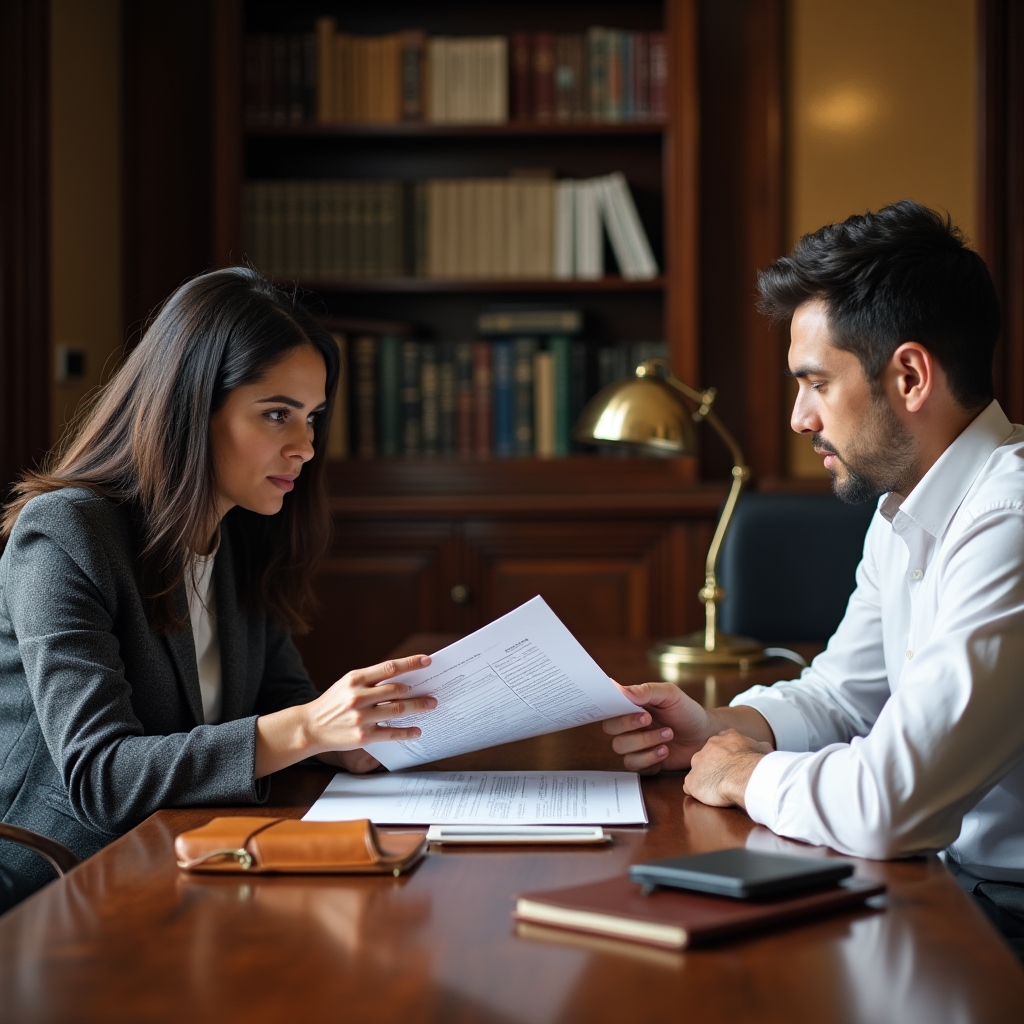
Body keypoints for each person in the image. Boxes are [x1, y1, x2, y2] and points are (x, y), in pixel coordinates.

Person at [603, 200, 1024, 956]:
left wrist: (748, 774)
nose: (799, 418)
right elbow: (845, 696)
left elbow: (893, 806)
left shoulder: (1010, 522)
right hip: (956, 886)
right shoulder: (905, 506)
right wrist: (720, 727)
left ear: (910, 376)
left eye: (816, 383)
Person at [0, 268, 436, 912]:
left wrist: (343, 747)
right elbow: (101, 777)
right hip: (65, 883)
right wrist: (309, 729)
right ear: (191, 408)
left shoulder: (241, 536)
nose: (305, 446)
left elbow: (281, 703)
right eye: (277, 414)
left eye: (312, 417)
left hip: (194, 855)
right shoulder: (66, 533)